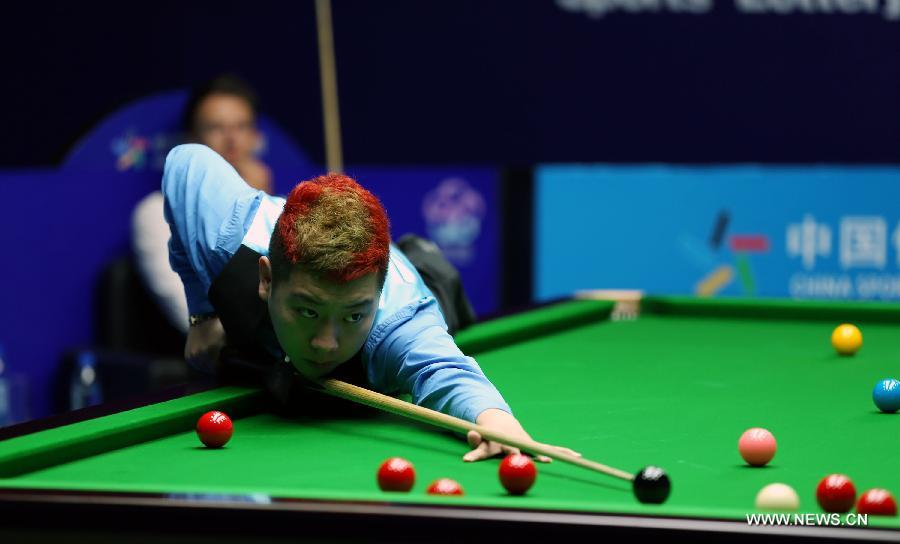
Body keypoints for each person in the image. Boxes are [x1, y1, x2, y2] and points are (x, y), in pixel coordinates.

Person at [162, 143, 580, 463]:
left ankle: (415, 258)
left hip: (421, 278)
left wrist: (495, 420)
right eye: (308, 311)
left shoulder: (397, 323)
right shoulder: (225, 239)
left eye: (352, 316)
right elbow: (186, 161)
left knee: (438, 286)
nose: (327, 343)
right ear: (267, 279)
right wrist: (204, 313)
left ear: (375, 299)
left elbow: (443, 369)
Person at [132, 75, 271, 333]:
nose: (232, 140)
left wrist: (258, 200)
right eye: (216, 128)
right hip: (210, 354)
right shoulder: (156, 212)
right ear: (191, 140)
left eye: (241, 127)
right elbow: (189, 311)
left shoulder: (274, 204)